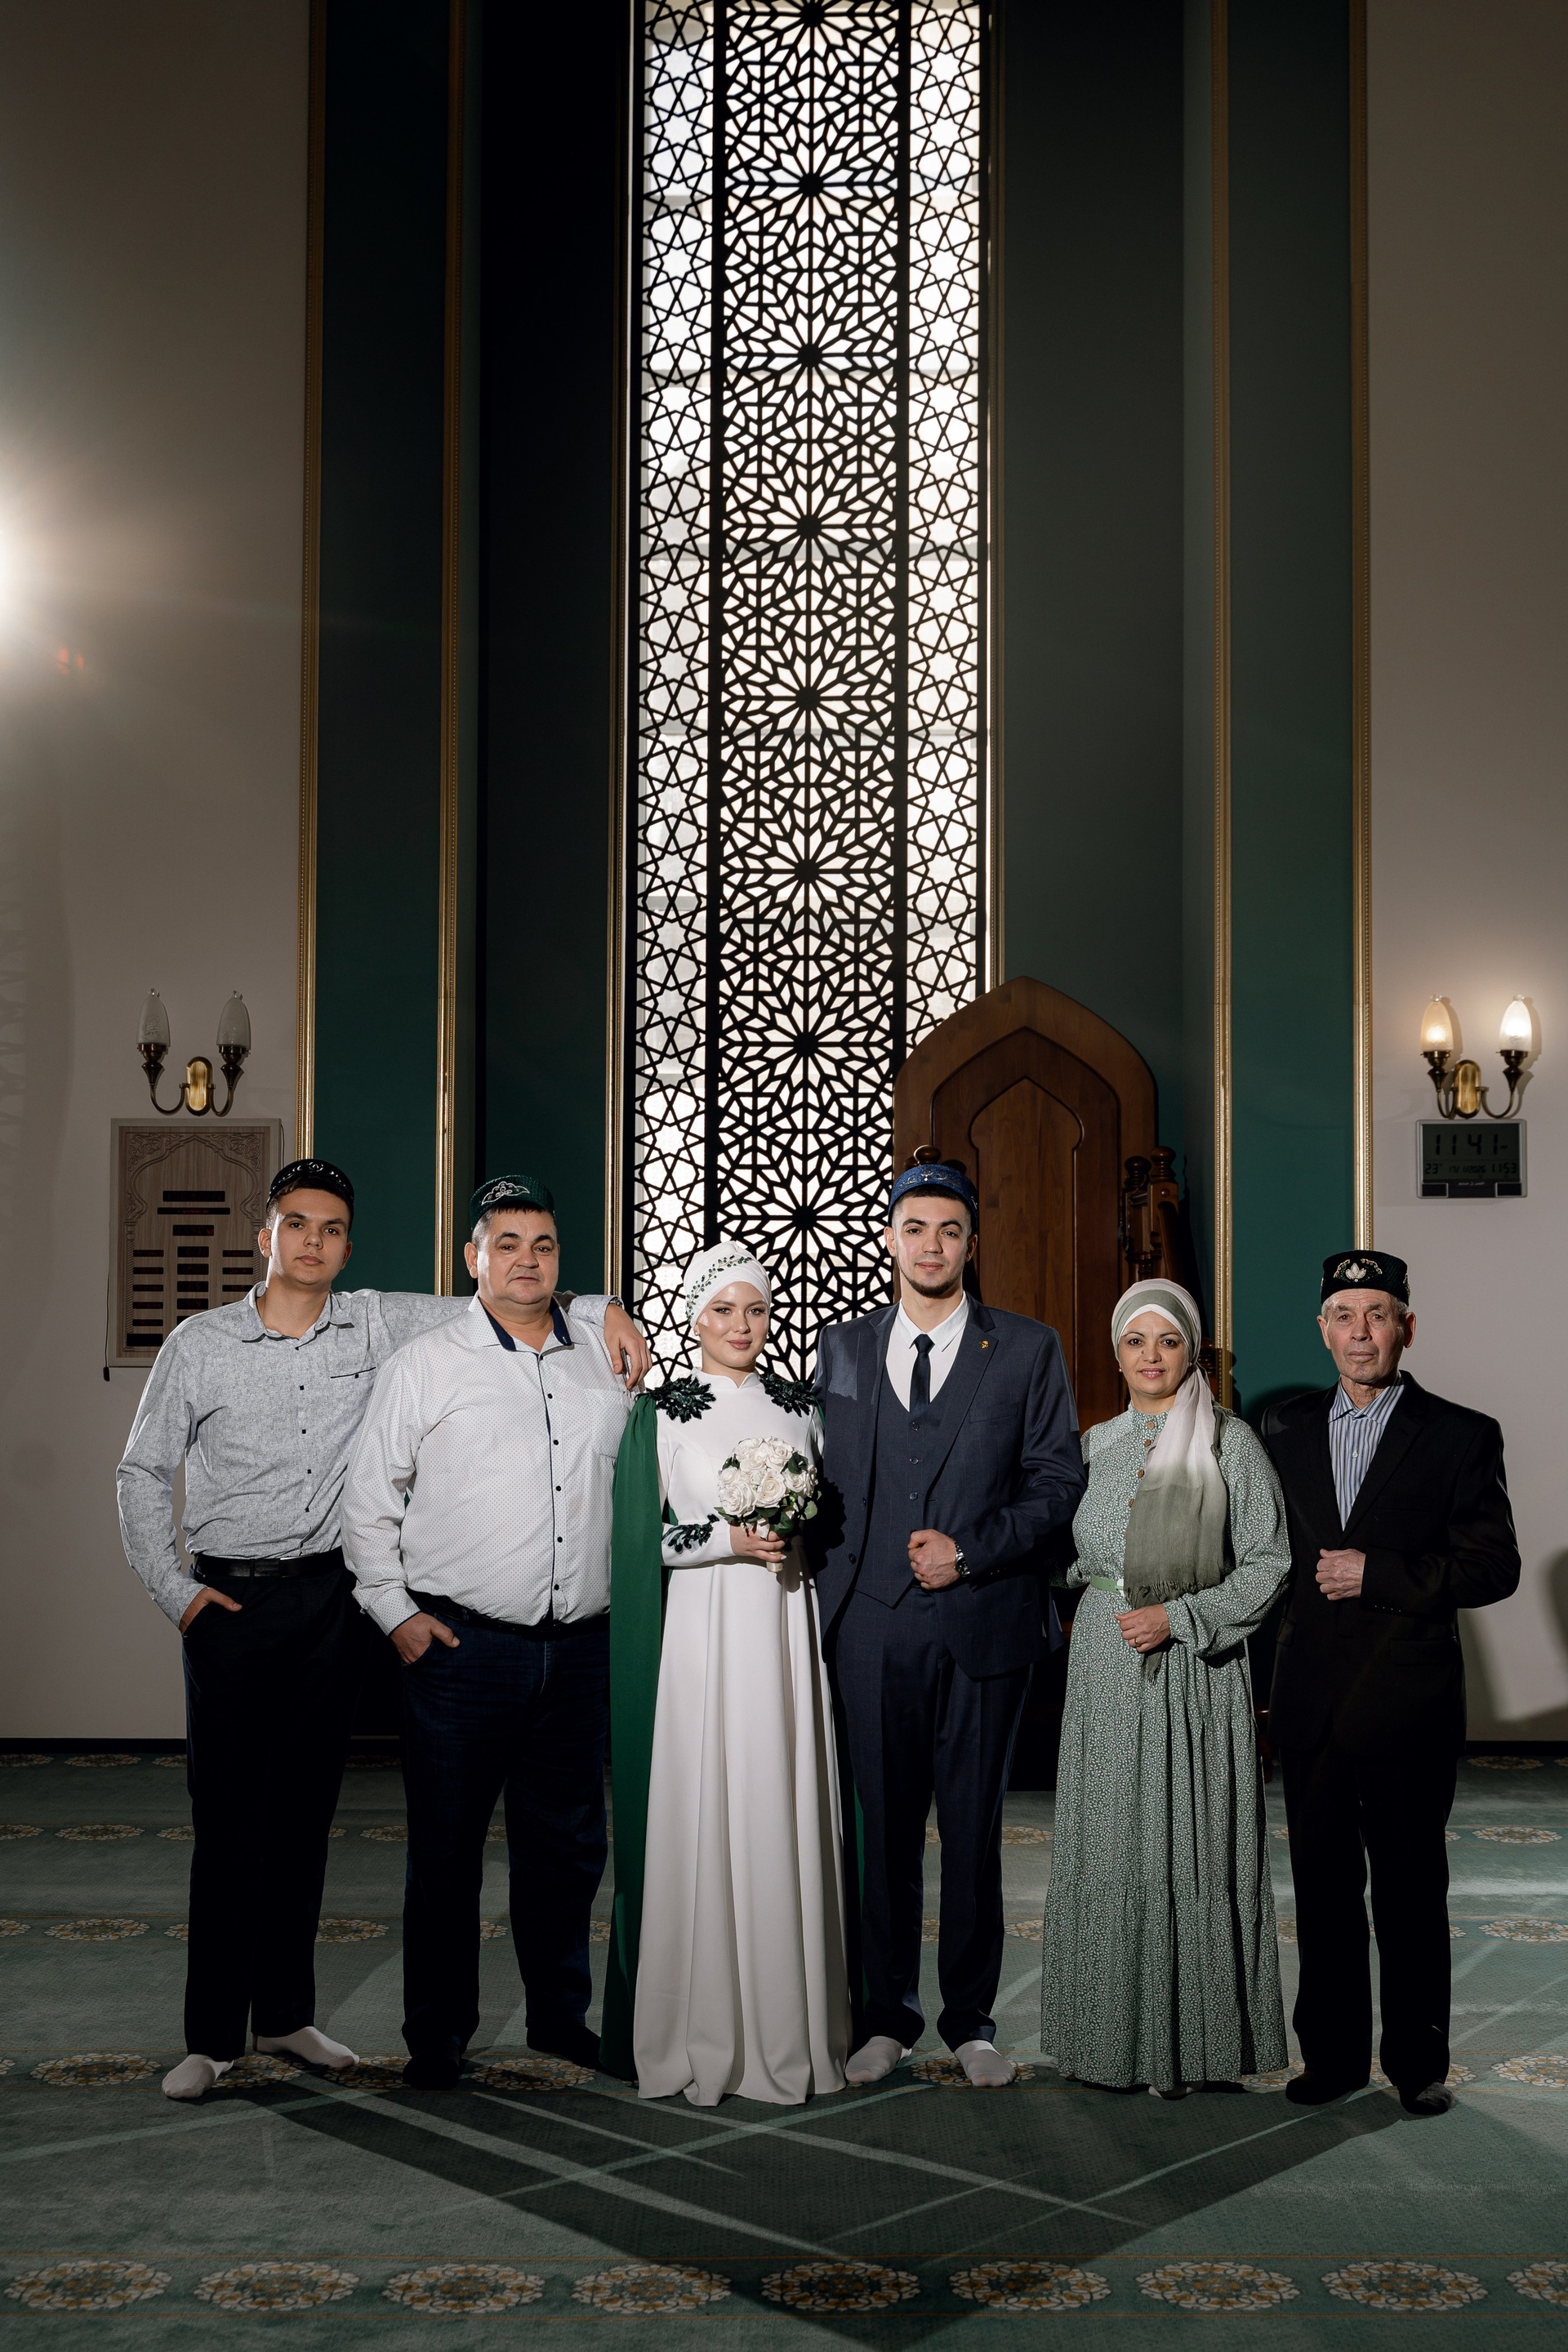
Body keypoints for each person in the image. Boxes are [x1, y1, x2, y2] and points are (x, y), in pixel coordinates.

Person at [117, 1157, 647, 2100]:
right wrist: (175, 1589)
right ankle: (211, 2036)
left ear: (347, 1246)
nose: (312, 1242)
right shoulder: (200, 1344)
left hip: (333, 1604)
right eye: (296, 1224)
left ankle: (285, 2017)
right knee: (231, 1825)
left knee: (306, 1821)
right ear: (265, 1237)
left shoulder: (378, 1321)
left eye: (330, 1229)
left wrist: (606, 1305)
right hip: (231, 1603)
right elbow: (141, 1472)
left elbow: (508, 1290)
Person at [341, 1175, 640, 2090]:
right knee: (446, 1852)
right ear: (472, 1259)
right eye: (505, 1244)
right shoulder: (426, 1363)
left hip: (580, 1650)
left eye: (543, 1245)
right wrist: (396, 1615)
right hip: (461, 1651)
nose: (526, 1261)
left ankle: (559, 2018)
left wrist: (603, 1304)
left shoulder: (606, 1361)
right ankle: (438, 2035)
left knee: (568, 1851)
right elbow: (368, 1500)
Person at [813, 1163, 1085, 2088]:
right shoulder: (841, 1348)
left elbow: (1058, 1482)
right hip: (868, 1623)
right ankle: (884, 2019)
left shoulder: (1028, 1348)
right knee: (880, 1833)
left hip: (984, 1621)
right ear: (890, 1238)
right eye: (915, 1228)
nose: (931, 1246)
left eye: (949, 1230)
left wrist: (969, 1551)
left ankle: (971, 2023)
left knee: (972, 1832)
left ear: (973, 1243)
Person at [1263, 1250, 1520, 2118]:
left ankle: (1417, 2064)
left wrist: (1377, 1573)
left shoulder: (1460, 1434)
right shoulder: (1282, 1427)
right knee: (1323, 1891)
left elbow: (1492, 1567)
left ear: (1407, 1327)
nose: (1361, 1332)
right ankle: (1332, 2059)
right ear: (1323, 1330)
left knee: (1410, 1892)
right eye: (1344, 1315)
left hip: (1407, 1704)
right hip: (1311, 1702)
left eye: (1378, 1314)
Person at [601, 1241, 851, 2105]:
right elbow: (640, 1538)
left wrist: (791, 1528)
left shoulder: (802, 1406)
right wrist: (725, 1539)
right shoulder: (662, 1411)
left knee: (780, 1788)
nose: (740, 1326)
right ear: (694, 1318)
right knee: (706, 1797)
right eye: (722, 1311)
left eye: (755, 1310)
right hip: (703, 1629)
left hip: (785, 1618)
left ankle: (790, 2026)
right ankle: (699, 2028)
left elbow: (827, 1517)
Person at [1040, 1279, 1291, 2096]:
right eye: (1135, 1341)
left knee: (1190, 1843)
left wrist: (1179, 1617)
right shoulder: (1093, 1445)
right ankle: (1105, 2040)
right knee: (1111, 1843)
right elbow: (1062, 1552)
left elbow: (1270, 1562)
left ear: (1194, 1352)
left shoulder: (1229, 1443)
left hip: (1192, 1669)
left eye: (1169, 1340)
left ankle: (1191, 2048)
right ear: (1117, 1354)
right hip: (1105, 1666)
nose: (1151, 1357)